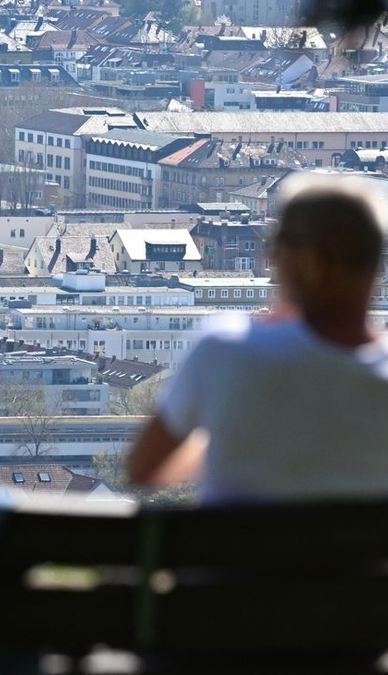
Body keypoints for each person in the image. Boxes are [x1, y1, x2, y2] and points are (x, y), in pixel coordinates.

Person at [127, 173, 388, 502]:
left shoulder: (226, 348)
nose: (269, 260)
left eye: (274, 247)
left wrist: (236, 434)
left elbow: (142, 468)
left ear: (302, 261)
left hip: (241, 554)